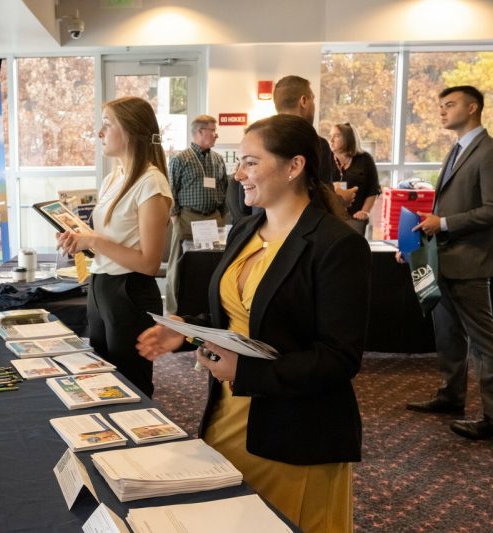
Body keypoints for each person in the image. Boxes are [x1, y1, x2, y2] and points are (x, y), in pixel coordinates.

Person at [137, 114, 371, 532]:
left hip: (293, 434)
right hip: (228, 415)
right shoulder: (246, 229)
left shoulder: (337, 245)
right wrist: (187, 330)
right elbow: (241, 319)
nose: (238, 173)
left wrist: (246, 372)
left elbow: (340, 359)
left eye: (250, 162)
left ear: (294, 166)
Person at [58, 96, 172, 397]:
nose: (100, 133)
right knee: (105, 380)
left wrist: (94, 240)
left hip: (129, 293)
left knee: (131, 384)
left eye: (107, 125)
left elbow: (149, 262)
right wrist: (81, 239)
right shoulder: (114, 177)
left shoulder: (151, 183)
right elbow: (112, 243)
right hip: (102, 287)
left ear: (132, 131)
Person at [404, 85, 493, 441]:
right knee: (448, 337)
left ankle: (491, 417)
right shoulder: (458, 150)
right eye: (441, 106)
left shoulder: (487, 152)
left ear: (473, 108)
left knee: (485, 344)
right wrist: (426, 229)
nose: (442, 111)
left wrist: (442, 223)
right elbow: (450, 208)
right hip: (445, 261)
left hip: (472, 263)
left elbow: (491, 210)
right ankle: (451, 396)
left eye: (450, 105)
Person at [166, 115, 229, 314]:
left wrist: (220, 214)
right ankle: (174, 311)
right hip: (186, 218)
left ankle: (210, 309)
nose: (216, 134)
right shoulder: (180, 159)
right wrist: (176, 217)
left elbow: (224, 188)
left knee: (214, 264)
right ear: (201, 132)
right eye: (213, 130)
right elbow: (170, 190)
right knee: (178, 265)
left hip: (213, 219)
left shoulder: (218, 159)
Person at [269, 75, 356, 211]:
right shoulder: (317, 144)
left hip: (264, 228)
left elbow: (240, 198)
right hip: (303, 228)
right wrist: (341, 200)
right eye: (313, 99)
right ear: (303, 101)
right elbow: (322, 200)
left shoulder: (260, 139)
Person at [329, 122, 381, 234]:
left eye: (337, 136)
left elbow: (372, 190)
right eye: (331, 136)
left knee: (350, 245)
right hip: (330, 216)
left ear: (349, 139)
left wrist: (364, 211)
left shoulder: (365, 159)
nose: (331, 140)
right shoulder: (325, 158)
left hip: (355, 217)